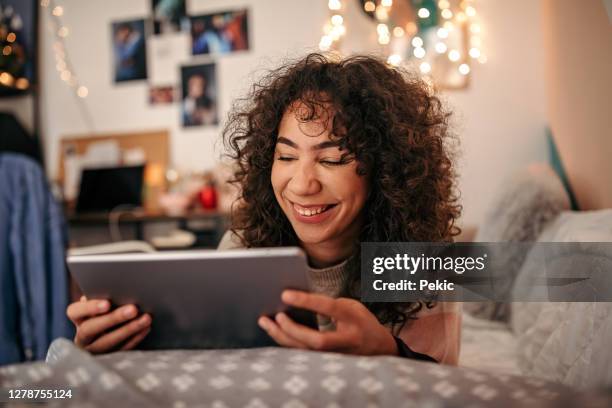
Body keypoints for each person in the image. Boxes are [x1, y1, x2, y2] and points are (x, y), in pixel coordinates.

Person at [66, 53, 462, 364]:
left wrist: (388, 353)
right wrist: (98, 351)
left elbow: (444, 386)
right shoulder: (242, 246)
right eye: (286, 157)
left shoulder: (428, 264)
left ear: (386, 170)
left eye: (333, 160)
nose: (303, 185)